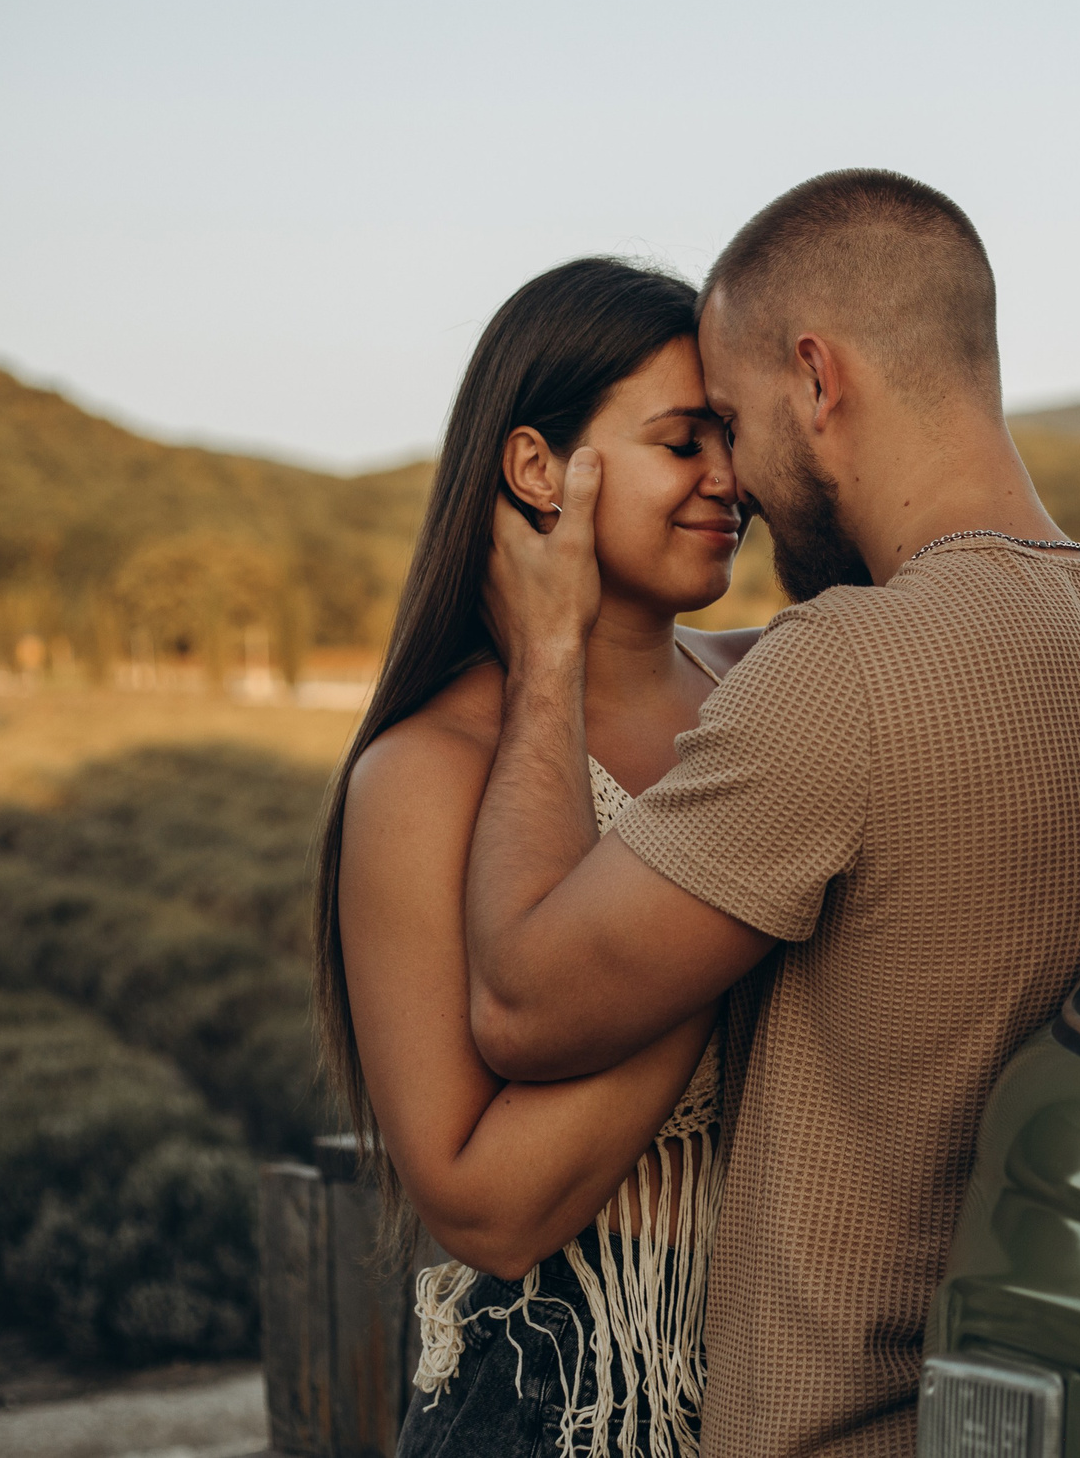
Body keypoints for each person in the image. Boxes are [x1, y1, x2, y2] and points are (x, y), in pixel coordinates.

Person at [463, 170, 1080, 1458]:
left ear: (818, 381)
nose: (735, 483)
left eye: (736, 423)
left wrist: (544, 660)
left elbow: (526, 1005)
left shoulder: (847, 664)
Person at [311, 256, 756, 1458]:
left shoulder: (776, 692)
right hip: (555, 1393)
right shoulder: (423, 773)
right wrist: (732, 912)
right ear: (536, 468)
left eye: (735, 435)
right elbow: (485, 1209)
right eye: (683, 441)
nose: (732, 478)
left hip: (792, 1388)